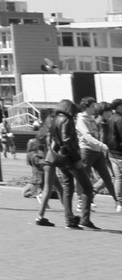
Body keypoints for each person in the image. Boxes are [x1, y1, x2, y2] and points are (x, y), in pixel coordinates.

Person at [49, 98, 96, 229]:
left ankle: (69, 219)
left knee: (67, 188)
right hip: (70, 159)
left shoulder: (55, 119)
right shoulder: (66, 120)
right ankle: (85, 219)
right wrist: (77, 159)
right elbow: (67, 140)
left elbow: (53, 139)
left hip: (60, 158)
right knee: (87, 187)